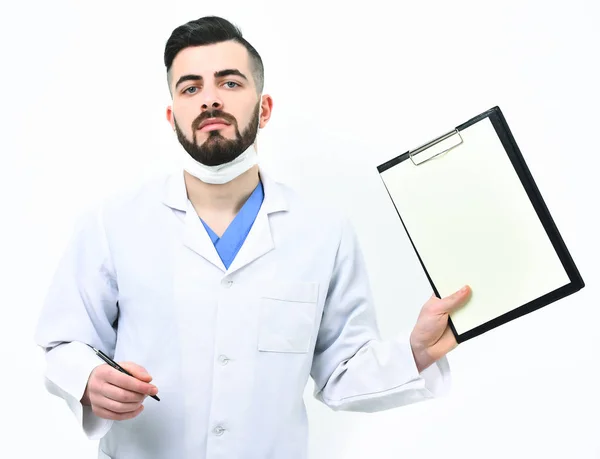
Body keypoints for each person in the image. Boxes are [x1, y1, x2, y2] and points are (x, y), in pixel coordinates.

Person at [34, 15, 471, 459]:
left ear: (263, 108)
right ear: (172, 116)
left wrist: (415, 351)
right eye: (190, 88)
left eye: (229, 83)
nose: (209, 100)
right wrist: (87, 379)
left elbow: (342, 371)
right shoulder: (112, 224)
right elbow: (63, 343)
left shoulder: (323, 231)